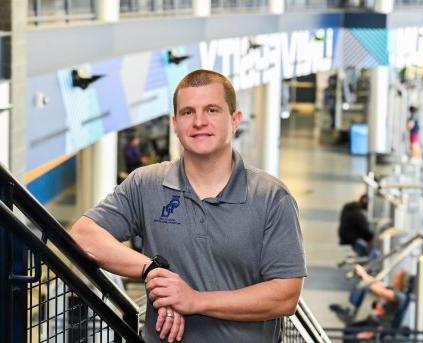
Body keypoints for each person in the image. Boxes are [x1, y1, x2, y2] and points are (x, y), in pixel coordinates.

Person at [69, 69, 307, 343]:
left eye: (212, 110)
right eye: (187, 112)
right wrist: (153, 271)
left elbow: (286, 296)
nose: (199, 122)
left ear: (235, 120)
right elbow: (83, 235)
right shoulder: (146, 184)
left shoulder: (271, 197)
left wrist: (194, 300)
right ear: (175, 123)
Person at [344, 265, 411, 342]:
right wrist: (363, 273)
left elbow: (377, 289)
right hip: (375, 323)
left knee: (351, 338)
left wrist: (363, 274)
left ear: (400, 281)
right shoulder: (393, 289)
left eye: (396, 277)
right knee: (348, 330)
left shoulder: (400, 296)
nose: (394, 279)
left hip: (381, 330)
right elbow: (376, 282)